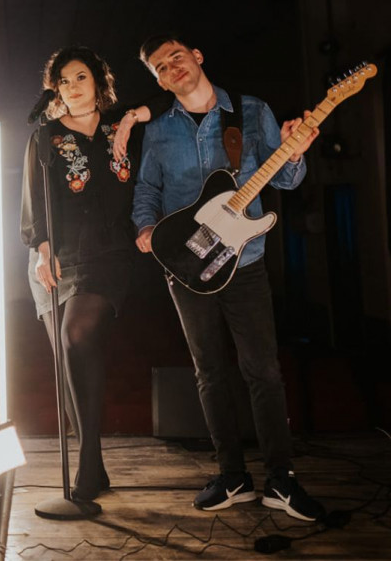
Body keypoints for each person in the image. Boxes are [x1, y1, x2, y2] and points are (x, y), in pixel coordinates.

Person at [132, 33, 324, 521]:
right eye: (160, 67)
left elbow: (286, 179)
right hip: (185, 263)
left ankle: (281, 480)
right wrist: (146, 228)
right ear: (159, 81)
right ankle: (232, 475)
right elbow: (147, 188)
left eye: (176, 56)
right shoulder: (159, 130)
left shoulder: (250, 112)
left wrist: (294, 153)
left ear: (197, 56)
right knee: (209, 372)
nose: (171, 67)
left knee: (263, 371)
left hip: (246, 259)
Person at [21, 46, 157, 502]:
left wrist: (135, 116)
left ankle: (88, 465)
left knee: (76, 334)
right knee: (68, 360)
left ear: (98, 80)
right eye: (64, 81)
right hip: (54, 257)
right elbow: (32, 201)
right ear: (55, 90)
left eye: (81, 77)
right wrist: (42, 250)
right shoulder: (45, 137)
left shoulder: (122, 126)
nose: (73, 87)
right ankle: (93, 467)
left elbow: (166, 104)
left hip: (109, 252)